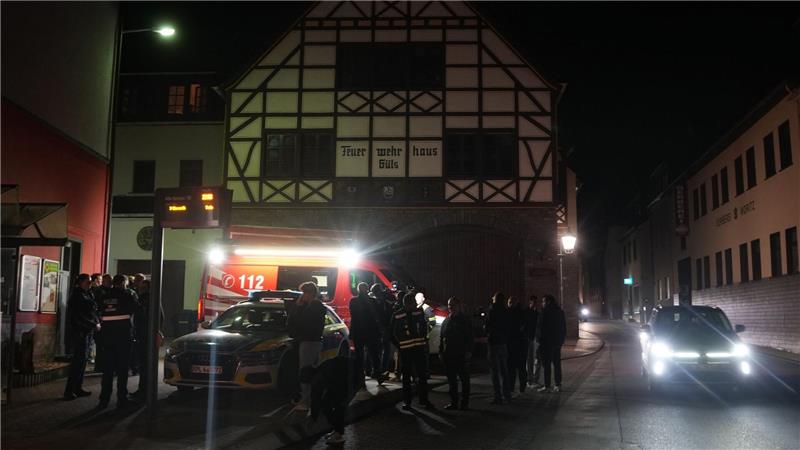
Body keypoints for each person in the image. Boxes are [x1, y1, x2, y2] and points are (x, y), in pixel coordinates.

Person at [97, 274, 139, 409]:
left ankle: (104, 399)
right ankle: (122, 398)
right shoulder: (128, 295)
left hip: (107, 337)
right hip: (123, 337)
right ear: (123, 283)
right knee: (122, 369)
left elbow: (98, 312)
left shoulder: (104, 296)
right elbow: (137, 310)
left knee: (108, 370)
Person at [301, 353, 360, 446]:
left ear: (315, 375)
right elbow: (315, 398)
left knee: (339, 406)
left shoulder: (330, 370)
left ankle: (338, 435)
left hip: (353, 379)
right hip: (339, 383)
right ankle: (336, 429)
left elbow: (341, 394)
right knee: (326, 405)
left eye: (312, 381)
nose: (313, 384)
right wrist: (313, 417)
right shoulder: (317, 380)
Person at [287, 281, 326, 411]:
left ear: (308, 293)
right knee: (312, 370)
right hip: (314, 341)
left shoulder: (314, 306)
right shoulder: (317, 305)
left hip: (309, 341)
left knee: (305, 371)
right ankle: (312, 399)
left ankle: (305, 401)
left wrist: (298, 307)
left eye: (303, 292)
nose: (302, 296)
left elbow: (301, 322)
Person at [391, 292, 433, 410]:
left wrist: (424, 339)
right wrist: (400, 345)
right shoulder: (397, 315)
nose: (415, 305)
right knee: (407, 378)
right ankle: (407, 402)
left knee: (422, 376)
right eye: (413, 303)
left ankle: (423, 400)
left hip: (418, 349)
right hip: (406, 351)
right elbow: (392, 333)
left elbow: (424, 327)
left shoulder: (418, 313)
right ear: (407, 304)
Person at [63, 274, 100, 400]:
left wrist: (96, 322)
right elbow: (77, 316)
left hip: (87, 331)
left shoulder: (88, 293)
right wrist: (93, 324)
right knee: (78, 362)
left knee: (83, 361)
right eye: (87, 282)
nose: (90, 284)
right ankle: (69, 390)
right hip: (80, 332)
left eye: (90, 282)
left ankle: (78, 388)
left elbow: (93, 311)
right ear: (80, 282)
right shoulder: (77, 296)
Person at [130, 279, 164, 398]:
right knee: (144, 365)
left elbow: (159, 317)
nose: (141, 288)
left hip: (145, 336)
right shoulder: (146, 298)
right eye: (141, 286)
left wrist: (154, 332)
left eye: (143, 287)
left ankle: (144, 391)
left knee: (145, 365)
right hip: (142, 335)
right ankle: (144, 390)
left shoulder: (147, 299)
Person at [439, 297, 473, 410]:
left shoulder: (464, 320)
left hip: (461, 354)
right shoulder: (447, 320)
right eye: (449, 305)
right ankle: (454, 402)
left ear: (458, 306)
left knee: (464, 380)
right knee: (452, 381)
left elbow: (469, 337)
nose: (450, 307)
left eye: (452, 305)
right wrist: (441, 351)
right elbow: (442, 337)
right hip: (449, 354)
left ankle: (464, 403)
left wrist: (468, 351)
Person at [349, 282, 384, 387]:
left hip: (358, 332)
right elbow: (378, 315)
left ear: (359, 290)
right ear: (368, 289)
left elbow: (353, 316)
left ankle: (360, 378)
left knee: (359, 356)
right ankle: (378, 375)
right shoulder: (372, 301)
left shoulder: (353, 301)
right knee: (374, 355)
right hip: (371, 332)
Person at [537, 294, 567, 393]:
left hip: (546, 343)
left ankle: (547, 385)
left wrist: (539, 340)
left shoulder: (544, 312)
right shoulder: (559, 312)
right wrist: (561, 341)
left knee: (547, 365)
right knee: (556, 364)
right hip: (556, 342)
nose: (542, 303)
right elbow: (563, 328)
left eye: (544, 301)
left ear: (548, 302)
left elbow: (541, 328)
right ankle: (557, 384)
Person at [485, 291, 511, 404]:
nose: (492, 298)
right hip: (503, 343)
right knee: (505, 370)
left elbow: (488, 326)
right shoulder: (506, 311)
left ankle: (498, 396)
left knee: (495, 371)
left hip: (494, 343)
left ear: (496, 299)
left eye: (493, 297)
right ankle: (507, 394)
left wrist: (487, 330)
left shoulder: (492, 310)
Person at [370, 283, 395, 377]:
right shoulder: (382, 299)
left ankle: (378, 370)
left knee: (380, 350)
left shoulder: (377, 301)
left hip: (381, 328)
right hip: (384, 327)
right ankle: (382, 369)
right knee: (385, 349)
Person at [507, 296, 529, 394]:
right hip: (521, 343)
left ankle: (512, 387)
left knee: (512, 368)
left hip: (513, 344)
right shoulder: (522, 313)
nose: (510, 304)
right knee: (521, 367)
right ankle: (522, 387)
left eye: (511, 302)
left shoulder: (509, 313)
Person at [525, 295, 541, 387]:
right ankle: (530, 379)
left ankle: (534, 379)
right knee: (530, 359)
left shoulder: (537, 313)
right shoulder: (528, 312)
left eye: (535, 302)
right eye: (533, 302)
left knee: (537, 359)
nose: (534, 304)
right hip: (530, 338)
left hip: (536, 338)